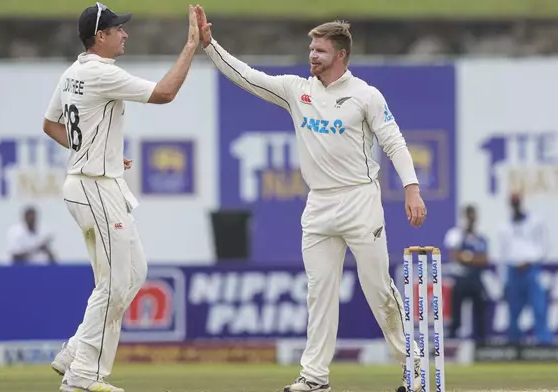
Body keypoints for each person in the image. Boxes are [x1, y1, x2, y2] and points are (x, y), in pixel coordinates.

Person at [195, 6, 426, 392]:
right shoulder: (297, 90)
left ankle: (416, 371)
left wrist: (411, 187)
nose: (312, 56)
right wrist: (210, 46)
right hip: (318, 205)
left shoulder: (364, 95)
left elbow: (394, 142)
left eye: (320, 50)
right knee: (319, 293)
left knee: (379, 291)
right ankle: (315, 377)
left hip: (359, 201)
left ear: (341, 55)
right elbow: (248, 78)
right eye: (311, 49)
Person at [42, 3, 200, 392]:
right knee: (113, 284)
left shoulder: (73, 72)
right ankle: (81, 378)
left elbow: (51, 125)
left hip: (98, 182)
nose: (124, 34)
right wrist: (192, 45)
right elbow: (164, 93)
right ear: (100, 37)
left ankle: (75, 352)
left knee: (133, 275)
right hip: (93, 186)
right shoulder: (99, 73)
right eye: (118, 29)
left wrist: (97, 151)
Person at [498, 192, 552, 345]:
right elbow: (502, 254)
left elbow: (545, 245)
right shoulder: (505, 227)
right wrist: (503, 280)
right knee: (513, 311)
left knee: (539, 307)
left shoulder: (535, 222)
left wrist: (530, 260)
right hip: (513, 270)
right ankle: (515, 345)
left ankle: (543, 343)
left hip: (531, 269)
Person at [443, 205, 488, 343]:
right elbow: (455, 255)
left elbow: (484, 259)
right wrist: (471, 257)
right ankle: (452, 340)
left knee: (481, 310)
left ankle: (481, 341)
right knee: (455, 312)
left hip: (475, 278)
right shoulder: (455, 234)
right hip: (460, 278)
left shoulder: (481, 234)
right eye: (469, 215)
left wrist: (467, 257)